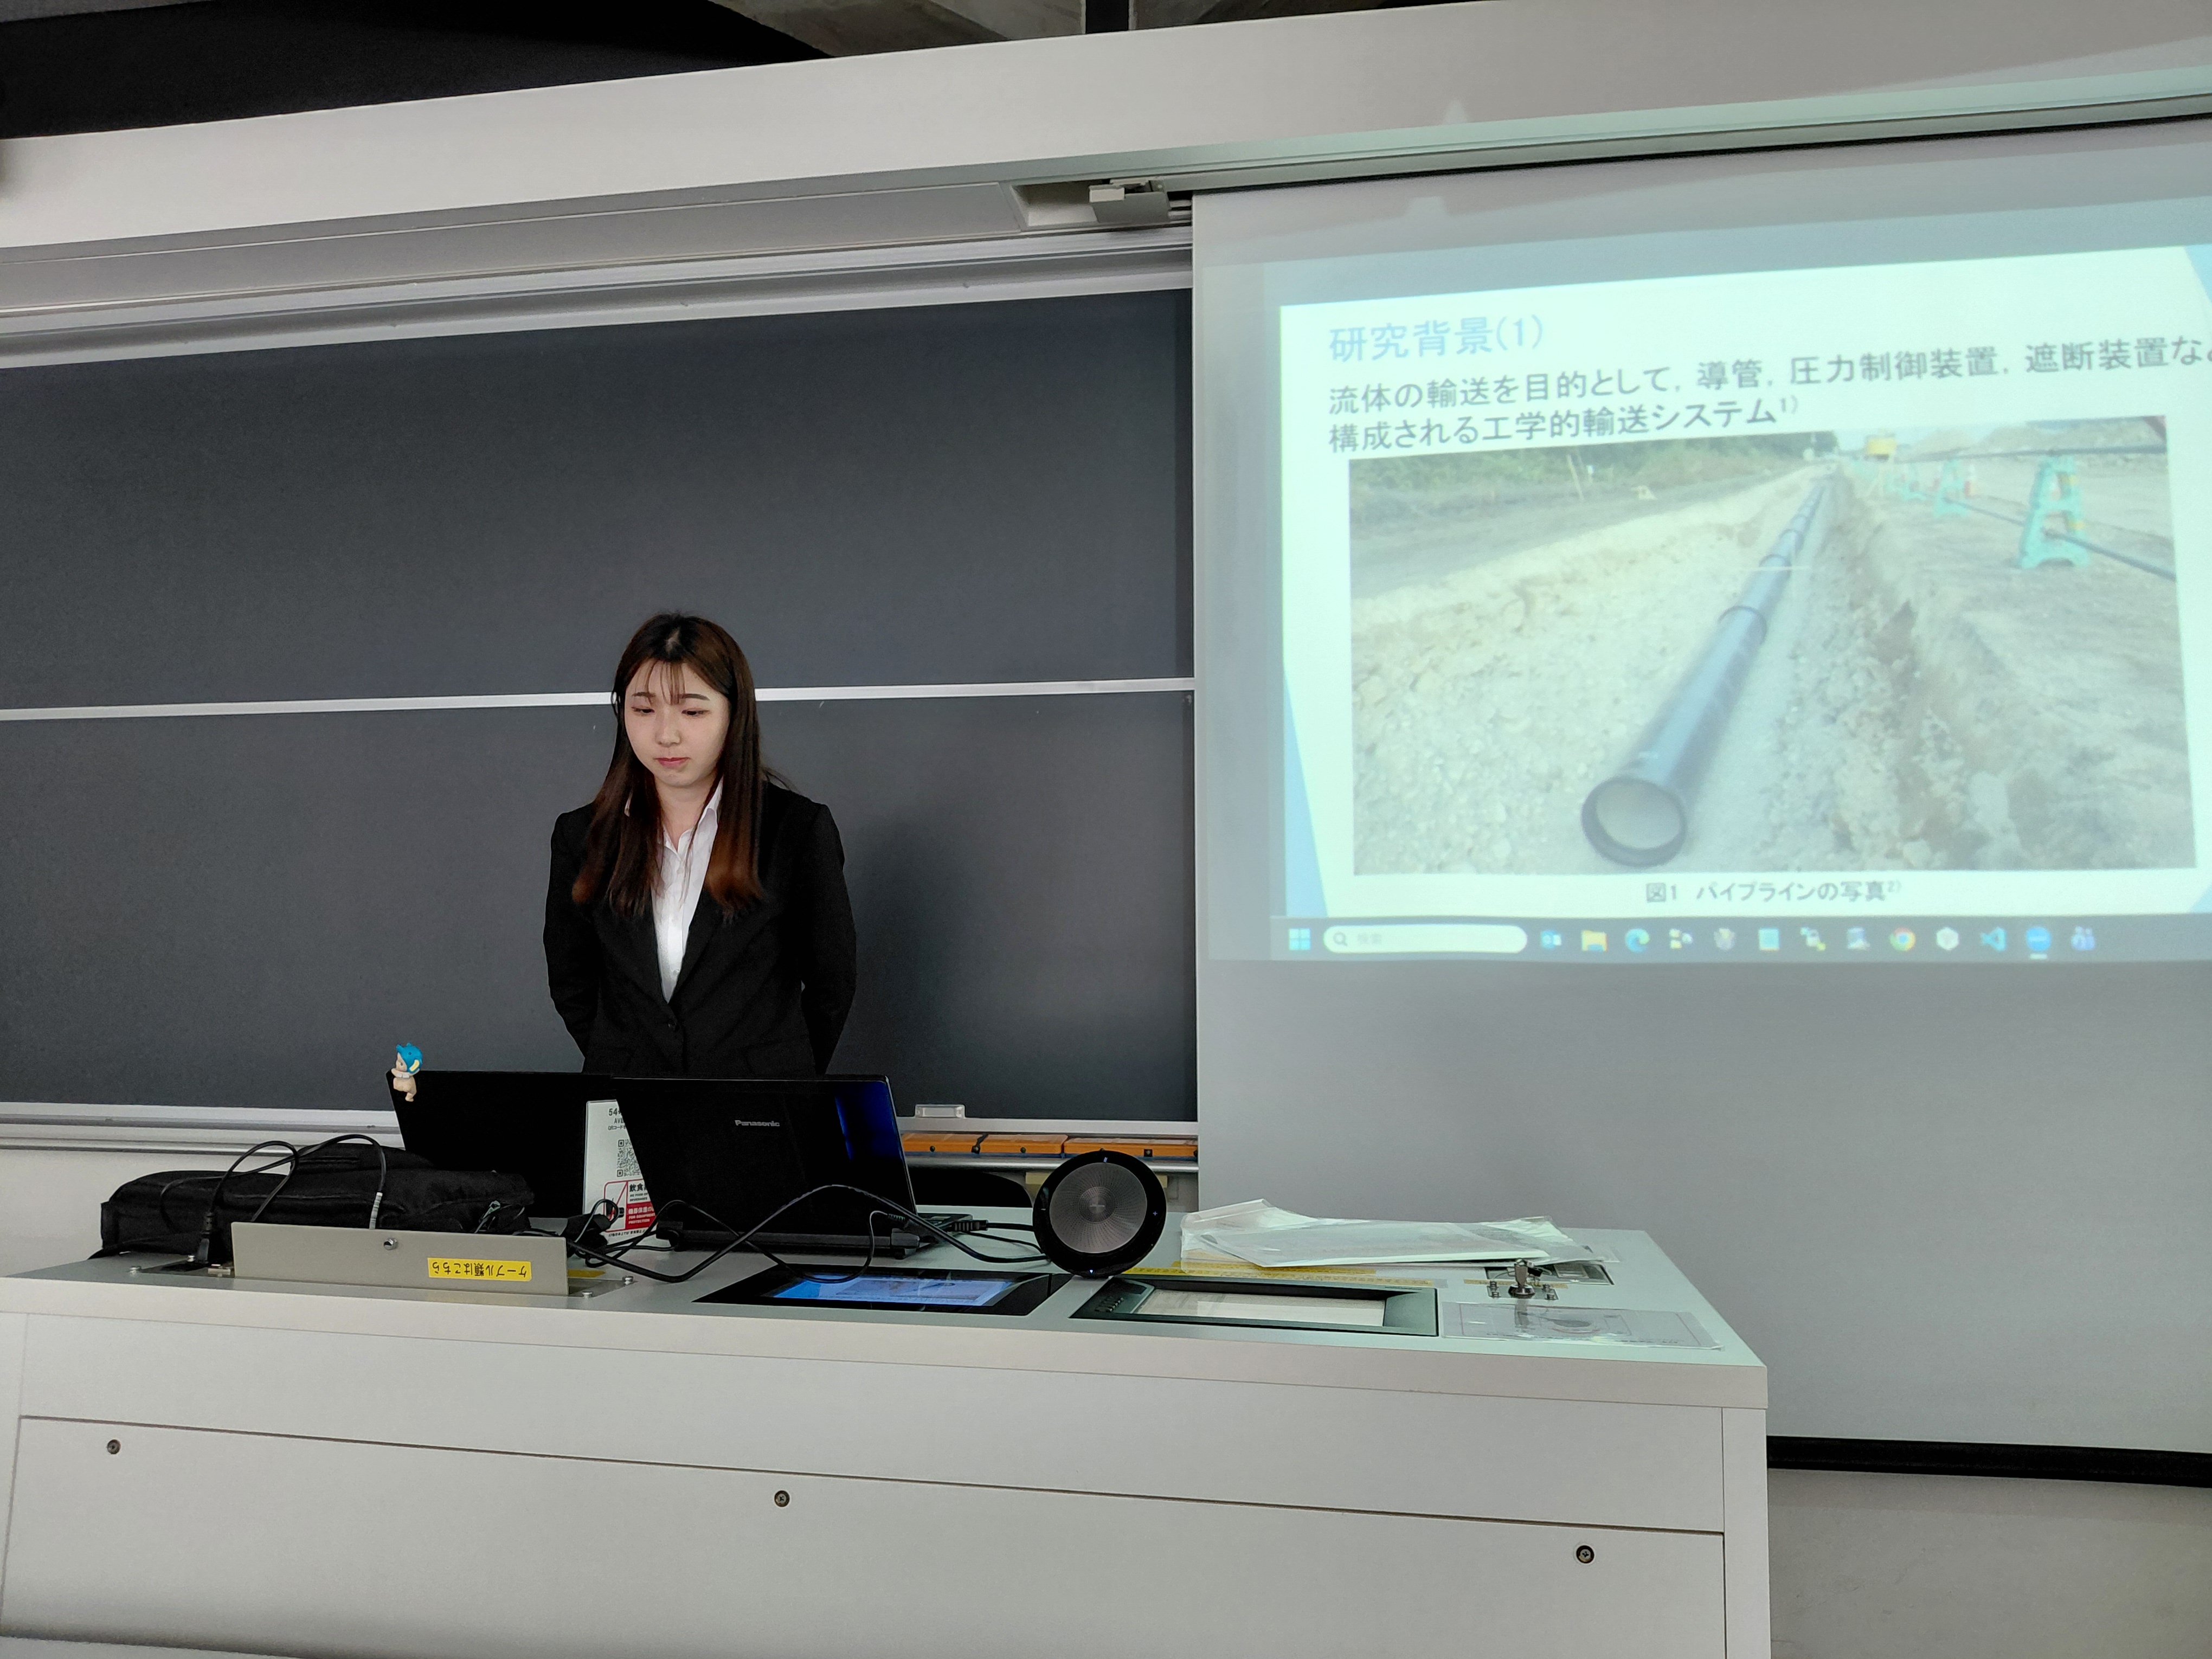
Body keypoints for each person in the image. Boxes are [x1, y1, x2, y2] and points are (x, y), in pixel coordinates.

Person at [544, 613, 856, 1077]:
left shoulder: (796, 829)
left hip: (757, 1101)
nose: (666, 735)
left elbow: (832, 983)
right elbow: (572, 980)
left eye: (692, 712)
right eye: (643, 710)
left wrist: (782, 1079)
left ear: (733, 713)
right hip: (629, 1099)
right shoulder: (583, 835)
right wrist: (623, 1061)